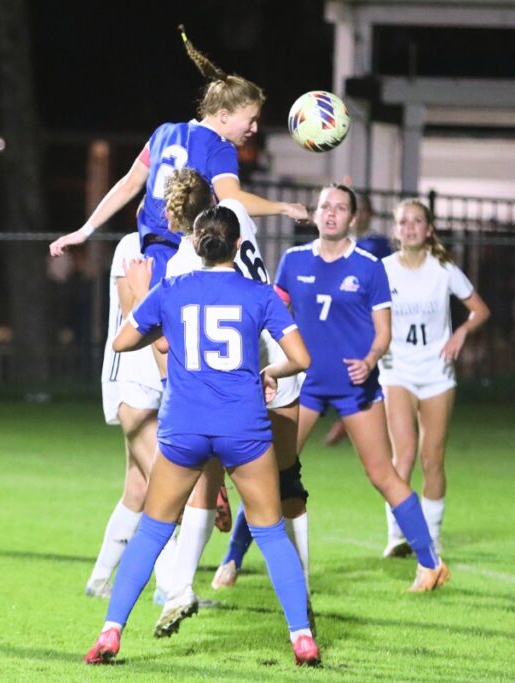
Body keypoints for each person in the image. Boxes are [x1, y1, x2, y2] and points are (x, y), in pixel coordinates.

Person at [84, 204, 319, 667]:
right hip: (244, 427)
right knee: (272, 533)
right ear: (238, 245)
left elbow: (122, 342)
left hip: (184, 426)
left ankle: (111, 633)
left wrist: (148, 312)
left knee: (152, 531)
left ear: (195, 244)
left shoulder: (171, 289)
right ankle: (302, 638)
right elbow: (302, 358)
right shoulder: (259, 295)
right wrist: (269, 370)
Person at [129, 169, 311, 637]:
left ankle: (177, 588)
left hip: (214, 393)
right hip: (264, 368)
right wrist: (284, 208)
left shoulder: (179, 267)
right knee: (282, 490)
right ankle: (299, 610)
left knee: (196, 494)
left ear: (183, 225)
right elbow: (237, 200)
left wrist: (136, 299)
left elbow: (161, 344)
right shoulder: (239, 225)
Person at [274, 183, 450, 592]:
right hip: (306, 385)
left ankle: (430, 563)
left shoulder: (370, 267)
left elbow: (383, 333)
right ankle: (231, 562)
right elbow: (274, 314)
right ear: (316, 214)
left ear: (354, 218)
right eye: (324, 207)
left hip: (355, 390)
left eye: (340, 208)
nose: (331, 213)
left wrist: (369, 360)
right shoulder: (292, 260)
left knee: (382, 474)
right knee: (274, 469)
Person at [49, 25, 306, 286]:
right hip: (184, 259)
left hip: (146, 254)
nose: (254, 128)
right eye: (250, 120)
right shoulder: (220, 148)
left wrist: (85, 231)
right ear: (224, 116)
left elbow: (128, 185)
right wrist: (284, 207)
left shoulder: (164, 132)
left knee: (135, 325)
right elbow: (233, 201)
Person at [379, 199, 489, 557]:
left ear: (428, 229)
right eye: (403, 222)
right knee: (404, 454)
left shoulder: (443, 268)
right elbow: (365, 314)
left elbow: (480, 310)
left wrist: (461, 333)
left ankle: (433, 536)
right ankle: (397, 534)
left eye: (417, 221)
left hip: (436, 372)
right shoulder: (383, 270)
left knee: (432, 457)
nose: (410, 227)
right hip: (397, 369)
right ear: (396, 231)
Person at [84, 229, 178, 599]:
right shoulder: (132, 245)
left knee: (138, 489)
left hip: (162, 379)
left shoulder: (185, 249)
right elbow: (131, 313)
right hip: (132, 380)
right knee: (168, 486)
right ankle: (170, 588)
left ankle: (99, 580)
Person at [323, 192, 391, 446]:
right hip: (340, 319)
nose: (359, 214)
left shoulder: (379, 244)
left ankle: (355, 422)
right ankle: (348, 420)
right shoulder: (336, 243)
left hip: (370, 318)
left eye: (364, 209)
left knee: (371, 371)